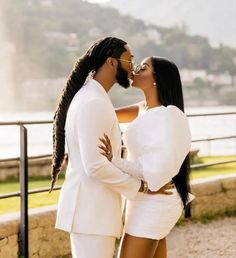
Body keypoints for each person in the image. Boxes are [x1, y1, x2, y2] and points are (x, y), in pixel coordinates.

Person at [49, 37, 173, 258]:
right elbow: (95, 166)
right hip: (91, 214)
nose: (132, 67)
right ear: (111, 62)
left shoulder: (92, 97)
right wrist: (143, 188)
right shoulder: (93, 101)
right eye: (129, 60)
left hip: (92, 214)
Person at [99, 56, 195, 258]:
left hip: (157, 198)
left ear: (156, 79)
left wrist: (113, 159)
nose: (135, 69)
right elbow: (104, 113)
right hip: (142, 196)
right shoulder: (143, 109)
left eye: (143, 67)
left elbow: (153, 169)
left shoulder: (168, 116)